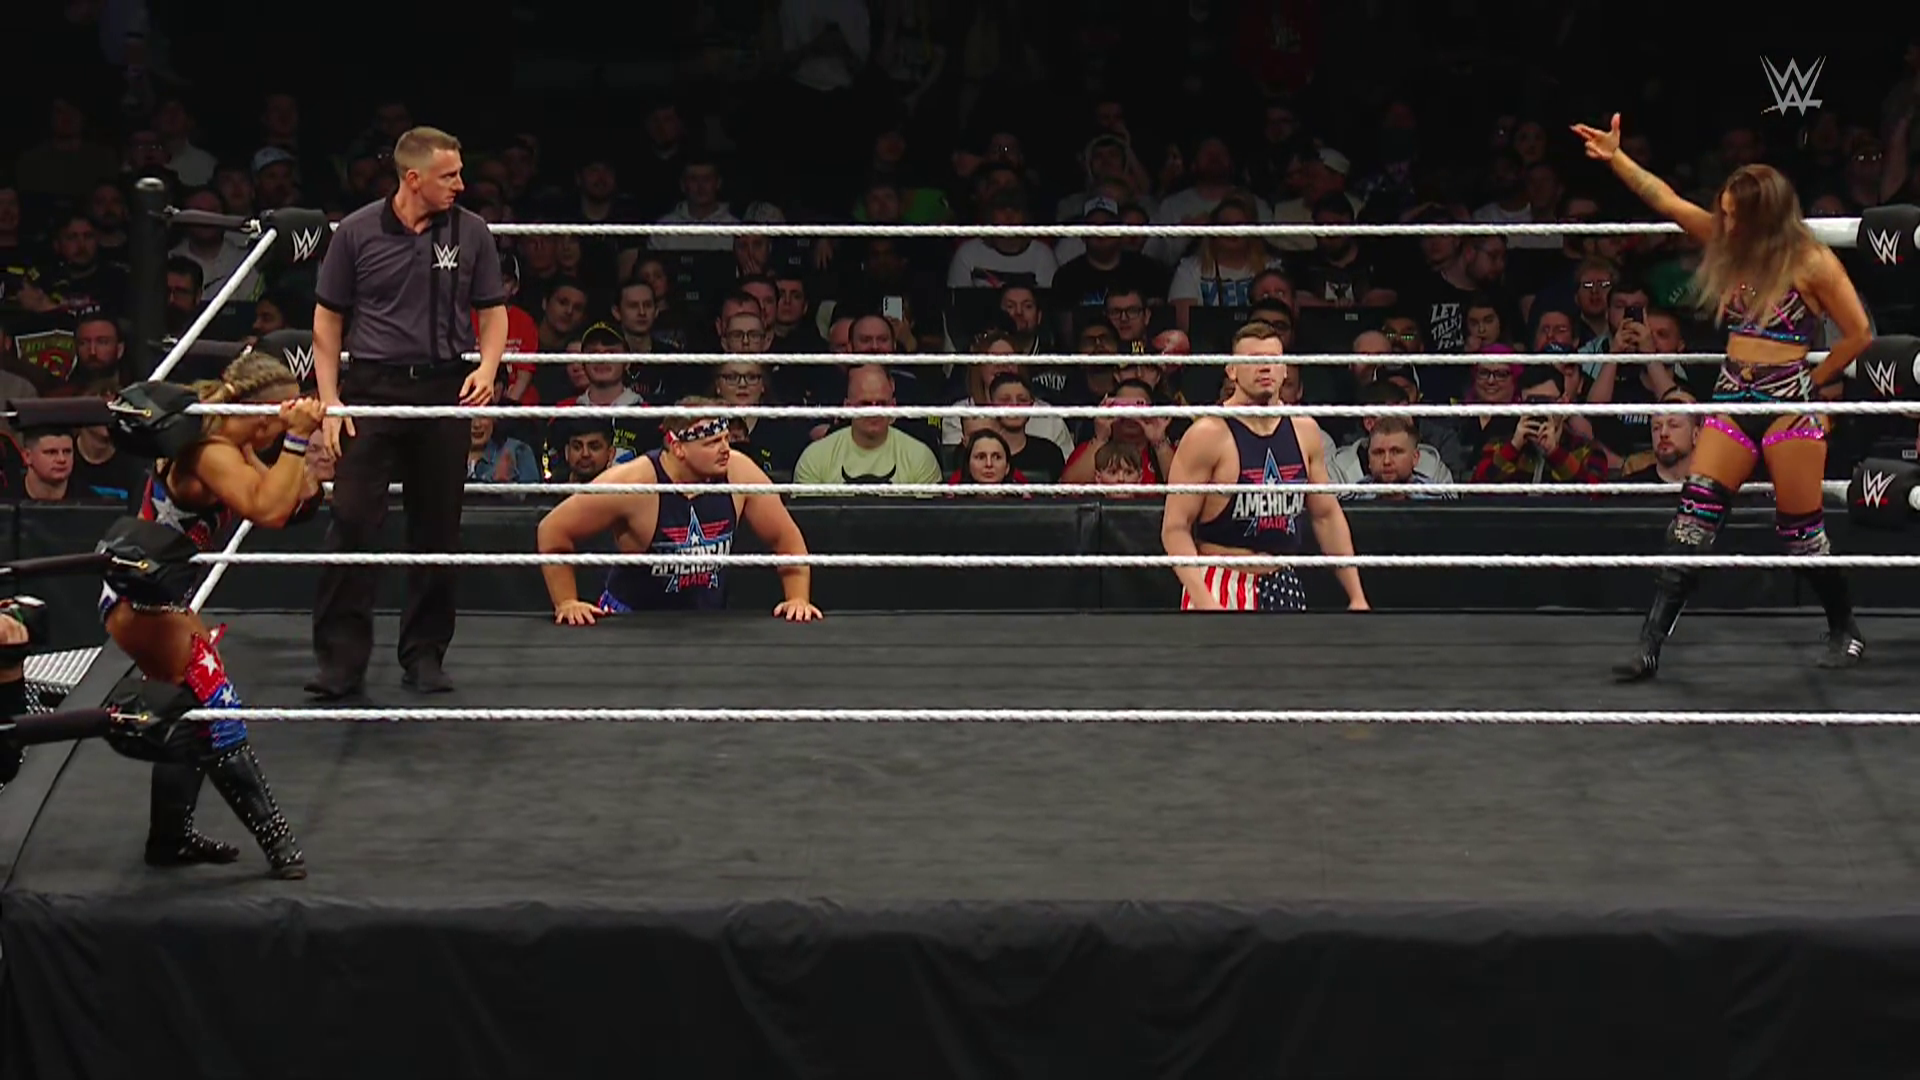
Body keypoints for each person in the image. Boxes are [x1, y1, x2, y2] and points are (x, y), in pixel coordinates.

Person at [1572, 114, 1875, 679]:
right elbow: (1665, 200)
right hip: (1733, 396)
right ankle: (1649, 645)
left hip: (1787, 407)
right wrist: (1616, 158)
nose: (1726, 222)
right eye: (1725, 213)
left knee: (1801, 534)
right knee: (1693, 519)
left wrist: (1813, 382)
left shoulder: (1811, 262)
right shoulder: (1726, 243)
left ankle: (1845, 628)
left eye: (1736, 215)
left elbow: (1858, 333)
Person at [98, 351, 327, 878]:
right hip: (140, 602)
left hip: (156, 597)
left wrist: (306, 451)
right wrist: (296, 441)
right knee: (214, 706)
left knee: (183, 707)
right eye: (281, 419)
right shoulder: (210, 451)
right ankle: (278, 844)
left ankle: (169, 838)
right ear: (264, 417)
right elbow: (268, 510)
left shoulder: (233, 438)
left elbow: (289, 499)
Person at [310, 125, 507, 699]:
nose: (461, 185)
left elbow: (493, 311)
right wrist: (330, 400)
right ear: (413, 178)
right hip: (371, 389)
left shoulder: (471, 232)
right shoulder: (356, 232)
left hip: (444, 386)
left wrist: (487, 368)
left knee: (438, 526)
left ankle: (424, 654)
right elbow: (327, 318)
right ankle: (340, 662)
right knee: (351, 520)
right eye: (450, 176)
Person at [535, 397, 823, 622]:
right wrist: (567, 602)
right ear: (679, 448)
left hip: (706, 625)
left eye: (725, 439)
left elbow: (785, 537)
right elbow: (553, 529)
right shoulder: (634, 482)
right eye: (712, 442)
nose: (725, 449)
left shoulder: (739, 471)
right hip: (631, 625)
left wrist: (798, 598)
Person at [1160, 322, 1370, 612]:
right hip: (1222, 583)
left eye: (1272, 360)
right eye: (1253, 360)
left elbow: (1326, 515)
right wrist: (1205, 601)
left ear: (1284, 370)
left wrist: (1357, 595)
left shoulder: (1305, 430)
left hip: (1283, 582)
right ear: (1232, 370)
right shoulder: (1208, 434)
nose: (1264, 368)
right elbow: (1174, 528)